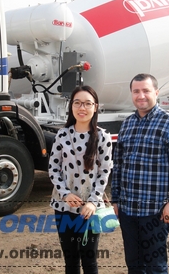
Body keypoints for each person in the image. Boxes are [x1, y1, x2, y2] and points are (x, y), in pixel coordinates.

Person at [111, 73, 169, 274]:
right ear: (131, 94)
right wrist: (116, 200)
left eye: (146, 91)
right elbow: (119, 165)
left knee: (155, 266)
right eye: (136, 91)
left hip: (155, 212)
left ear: (156, 92)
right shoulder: (127, 124)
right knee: (134, 264)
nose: (141, 96)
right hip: (128, 211)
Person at [49, 85, 113, 274]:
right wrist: (65, 194)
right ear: (71, 107)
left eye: (87, 103)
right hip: (64, 208)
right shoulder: (62, 135)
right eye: (77, 103)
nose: (82, 108)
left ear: (95, 107)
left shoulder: (102, 137)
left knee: (89, 260)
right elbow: (53, 168)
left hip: (90, 210)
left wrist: (93, 202)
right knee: (70, 261)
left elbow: (105, 171)